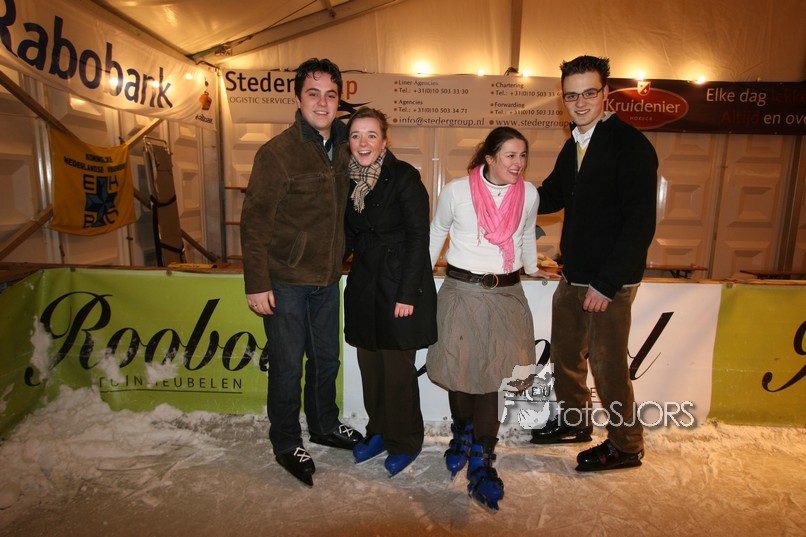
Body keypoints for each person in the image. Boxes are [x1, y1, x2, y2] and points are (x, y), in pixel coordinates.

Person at [530, 55, 658, 472]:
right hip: (574, 274)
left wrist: (606, 283)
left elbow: (640, 224)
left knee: (607, 365)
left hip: (609, 282)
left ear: (605, 93)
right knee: (567, 355)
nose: (580, 102)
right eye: (571, 95)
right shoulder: (575, 144)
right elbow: (552, 195)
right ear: (562, 99)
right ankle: (575, 422)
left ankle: (626, 444)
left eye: (589, 93)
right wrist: (508, 191)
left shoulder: (631, 146)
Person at [240, 57, 363, 487]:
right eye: (313, 94)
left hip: (327, 280)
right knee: (288, 365)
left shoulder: (347, 146)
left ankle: (324, 424)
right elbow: (255, 222)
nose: (323, 103)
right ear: (297, 99)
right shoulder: (277, 153)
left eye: (331, 95)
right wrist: (257, 283)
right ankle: (286, 441)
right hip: (285, 282)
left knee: (326, 359)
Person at [427, 127, 543, 510]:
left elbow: (526, 234)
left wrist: (533, 267)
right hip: (462, 291)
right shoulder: (457, 191)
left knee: (495, 377)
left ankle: (482, 454)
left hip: (506, 294)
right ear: (490, 158)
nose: (518, 163)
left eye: (522, 155)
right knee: (460, 369)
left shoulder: (528, 194)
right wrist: (420, 277)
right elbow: (437, 231)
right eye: (510, 155)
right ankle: (462, 432)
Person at [342, 107, 437, 477]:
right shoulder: (349, 180)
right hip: (365, 285)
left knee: (397, 371)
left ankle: (405, 440)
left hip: (398, 285)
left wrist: (408, 294)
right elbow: (349, 234)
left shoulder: (404, 177)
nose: (363, 142)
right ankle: (378, 431)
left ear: (384, 140)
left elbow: (418, 237)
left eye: (371, 135)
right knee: (371, 367)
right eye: (356, 135)